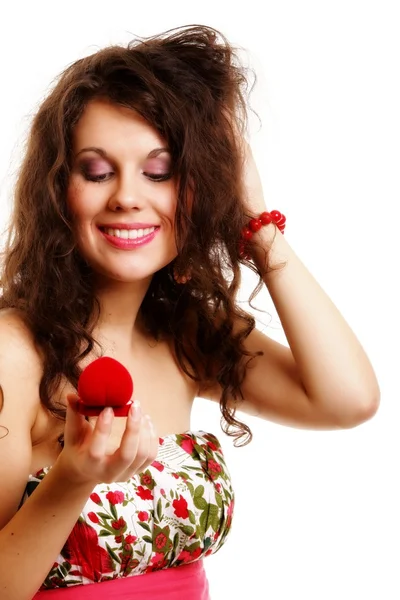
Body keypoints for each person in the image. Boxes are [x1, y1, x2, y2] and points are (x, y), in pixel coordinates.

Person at [0, 25, 379, 600]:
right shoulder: (12, 353)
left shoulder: (186, 334)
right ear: (58, 192)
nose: (127, 195)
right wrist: (73, 479)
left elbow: (348, 399)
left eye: (161, 171)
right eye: (97, 172)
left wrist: (254, 223)